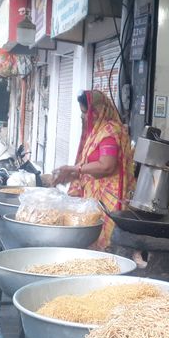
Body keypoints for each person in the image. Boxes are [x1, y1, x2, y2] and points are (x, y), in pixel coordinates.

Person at [54, 90, 135, 250]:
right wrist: (72, 175)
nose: (83, 117)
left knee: (104, 244)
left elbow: (106, 165)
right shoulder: (97, 131)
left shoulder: (110, 132)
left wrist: (75, 168)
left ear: (99, 111)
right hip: (95, 197)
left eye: (86, 112)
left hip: (109, 198)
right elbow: (90, 165)